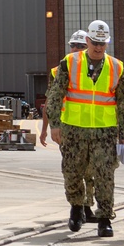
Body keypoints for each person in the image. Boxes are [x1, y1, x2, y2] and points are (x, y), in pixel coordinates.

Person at [44, 19, 124, 237]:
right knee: (72, 172)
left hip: (105, 131)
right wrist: (54, 125)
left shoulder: (117, 68)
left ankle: (104, 218)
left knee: (105, 174)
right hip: (74, 130)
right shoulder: (69, 63)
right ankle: (76, 208)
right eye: (94, 42)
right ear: (87, 41)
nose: (98, 47)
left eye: (102, 43)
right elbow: (55, 95)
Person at [40, 29, 96, 223]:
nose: (76, 49)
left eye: (80, 46)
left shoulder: (95, 69)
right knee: (73, 169)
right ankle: (77, 206)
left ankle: (87, 207)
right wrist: (45, 129)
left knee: (90, 171)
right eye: (74, 45)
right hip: (67, 128)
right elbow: (50, 101)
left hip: (92, 127)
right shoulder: (59, 71)